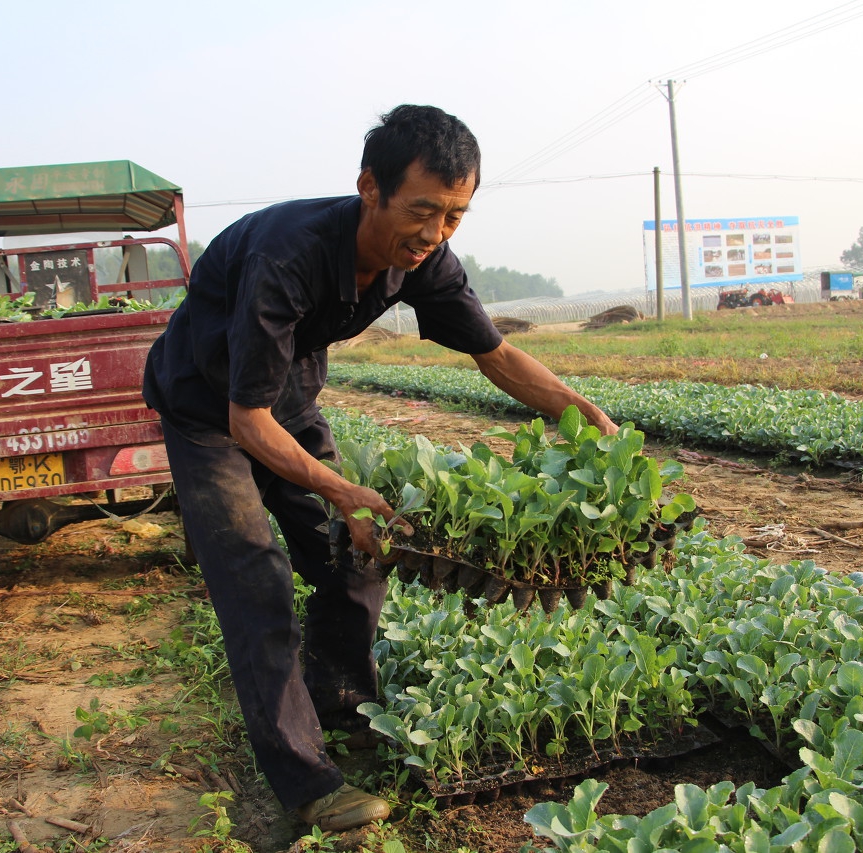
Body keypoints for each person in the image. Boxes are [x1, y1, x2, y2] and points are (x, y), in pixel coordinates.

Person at [142, 104, 617, 832]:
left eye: (455, 215)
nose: (434, 233)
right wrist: (341, 489)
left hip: (285, 400)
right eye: (423, 210)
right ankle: (307, 782)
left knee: (356, 556)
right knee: (254, 577)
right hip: (210, 411)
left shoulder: (421, 261)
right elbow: (245, 420)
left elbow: (495, 354)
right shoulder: (290, 254)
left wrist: (581, 415)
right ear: (371, 187)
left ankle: (342, 705)